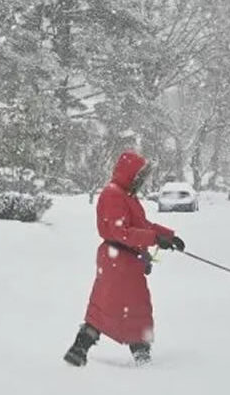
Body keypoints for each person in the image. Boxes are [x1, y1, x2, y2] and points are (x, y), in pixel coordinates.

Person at [63, 150, 185, 367]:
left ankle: (83, 349)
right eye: (140, 176)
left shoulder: (126, 196)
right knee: (114, 306)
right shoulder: (113, 195)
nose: (142, 181)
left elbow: (142, 225)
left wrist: (168, 236)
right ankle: (134, 352)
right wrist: (154, 238)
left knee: (126, 306)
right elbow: (120, 232)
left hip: (125, 261)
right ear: (130, 174)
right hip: (117, 261)